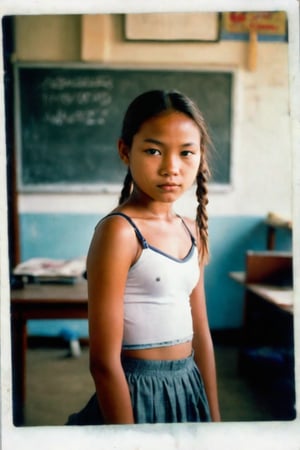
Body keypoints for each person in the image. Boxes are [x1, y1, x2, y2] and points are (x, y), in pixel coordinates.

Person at [66, 89, 221, 425]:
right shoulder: (119, 232)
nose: (171, 168)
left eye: (186, 153)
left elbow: (202, 334)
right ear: (125, 151)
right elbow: (103, 363)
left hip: (188, 384)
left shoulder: (192, 229)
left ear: (200, 156)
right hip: (135, 392)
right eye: (153, 150)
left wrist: (216, 421)